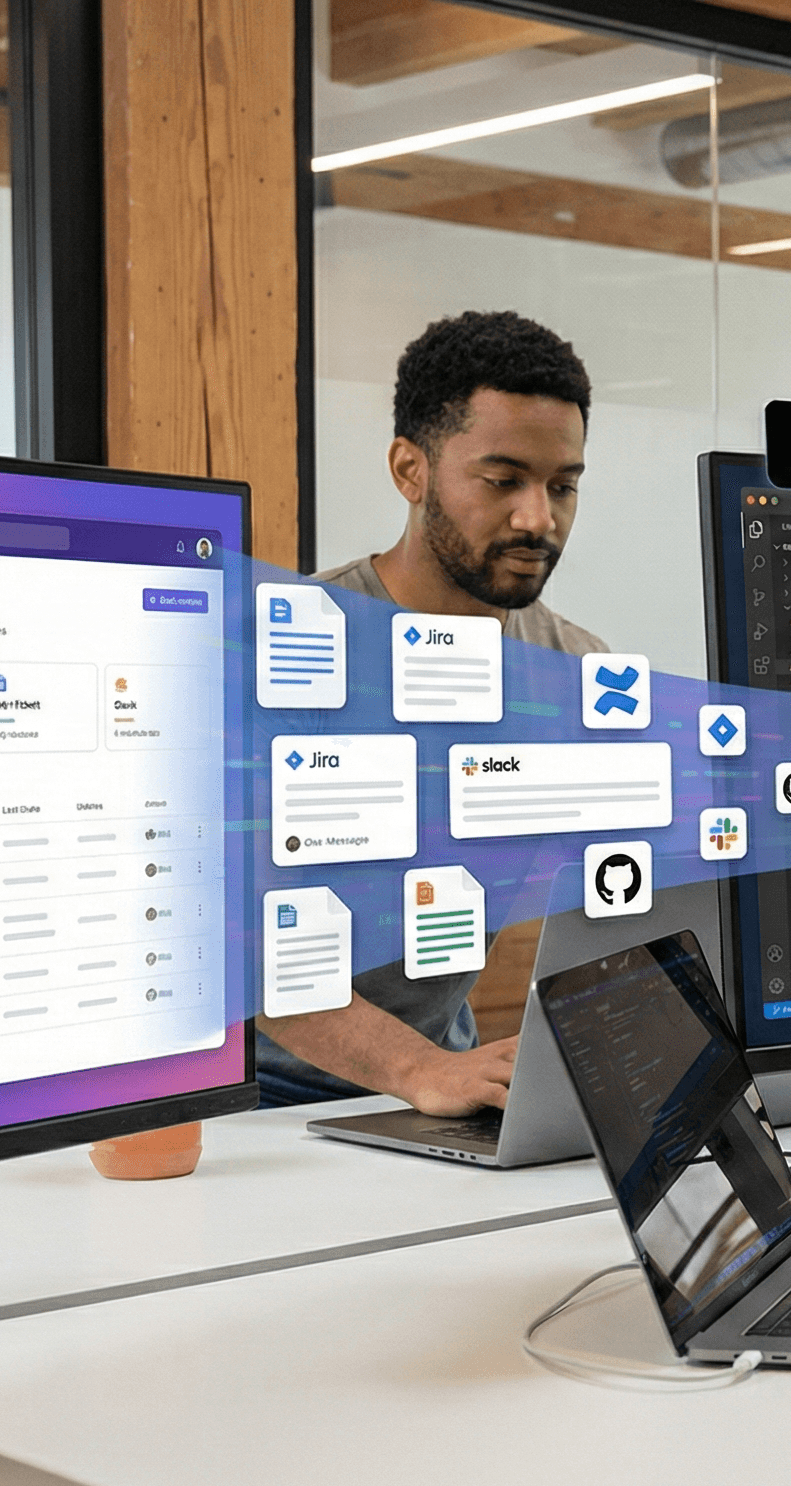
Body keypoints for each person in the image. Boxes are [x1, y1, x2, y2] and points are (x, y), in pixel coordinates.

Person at [255, 310, 611, 1111]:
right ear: (410, 471)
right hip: (247, 1090)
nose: (538, 519)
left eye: (563, 486)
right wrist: (417, 1071)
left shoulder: (573, 669)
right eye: (502, 480)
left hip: (435, 1071)